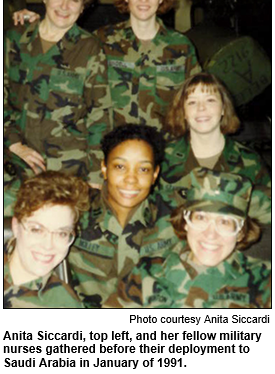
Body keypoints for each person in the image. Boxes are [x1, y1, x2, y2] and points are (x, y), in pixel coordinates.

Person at [4, 0, 109, 216]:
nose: (64, 6)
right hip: (17, 161)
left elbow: (99, 115)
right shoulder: (16, 38)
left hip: (68, 165)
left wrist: (95, 177)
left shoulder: (89, 48)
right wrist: (13, 143)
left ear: (83, 6)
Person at [109, 168, 271, 308]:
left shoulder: (265, 282)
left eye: (225, 222)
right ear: (185, 222)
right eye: (201, 218)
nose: (210, 234)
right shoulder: (143, 274)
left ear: (241, 232)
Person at [68, 124, 183, 308]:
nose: (131, 179)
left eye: (143, 169)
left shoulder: (176, 217)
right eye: (120, 166)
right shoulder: (75, 210)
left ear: (155, 174)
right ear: (104, 168)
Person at [94, 0, 201, 130]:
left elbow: (195, 102)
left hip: (165, 150)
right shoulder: (102, 40)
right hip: (117, 150)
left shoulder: (181, 46)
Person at [160, 72, 271, 227]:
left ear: (224, 108)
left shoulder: (250, 161)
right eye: (192, 102)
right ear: (183, 112)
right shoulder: (162, 158)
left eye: (210, 100)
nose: (201, 108)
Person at [4, 171, 90, 308]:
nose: (48, 246)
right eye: (37, 230)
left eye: (61, 233)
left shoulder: (64, 304)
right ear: (15, 226)